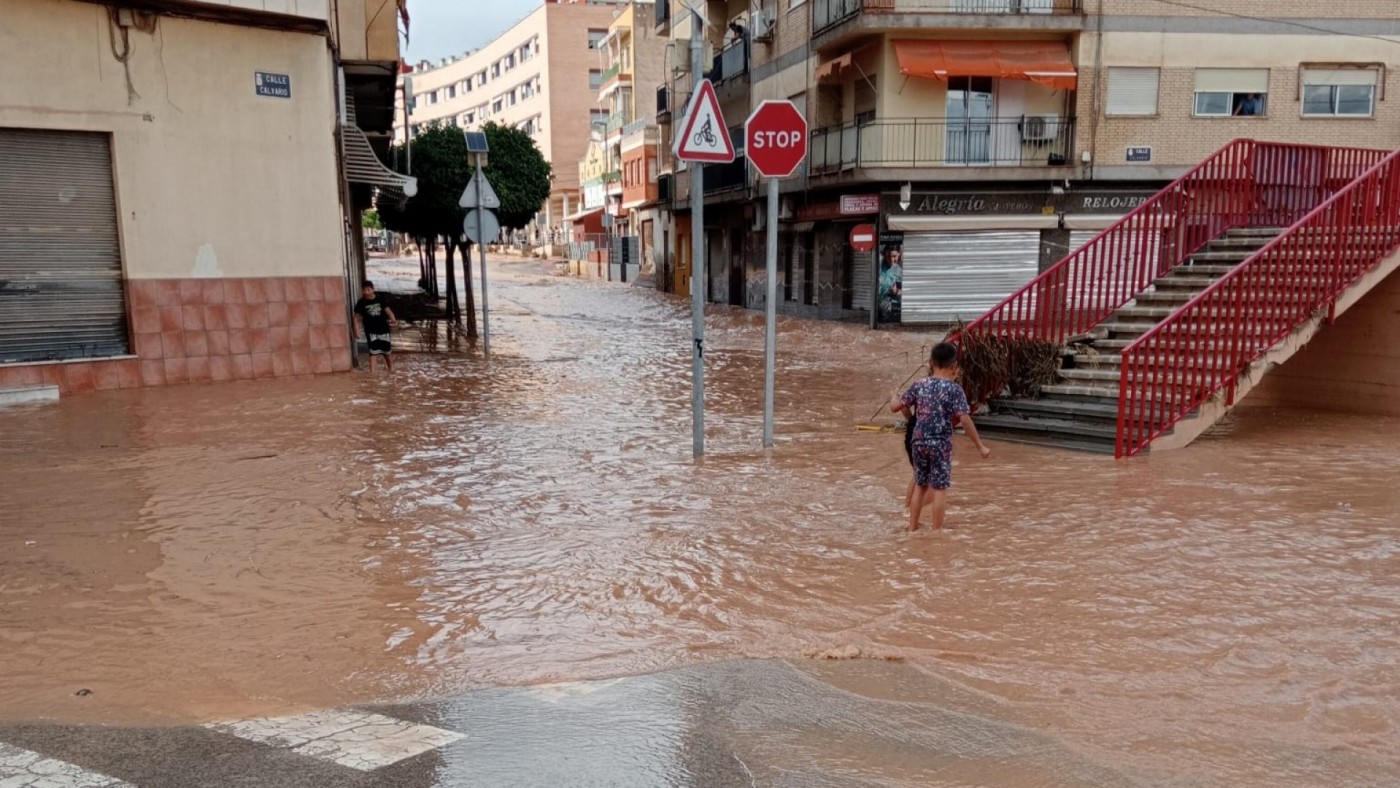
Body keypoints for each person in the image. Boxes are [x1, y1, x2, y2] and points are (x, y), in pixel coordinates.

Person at [892, 342, 991, 532]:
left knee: (920, 486)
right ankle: (936, 532)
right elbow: (965, 419)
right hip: (941, 445)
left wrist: (892, 397)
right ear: (954, 366)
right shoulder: (954, 390)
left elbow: (897, 407)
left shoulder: (919, 384)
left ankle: (912, 528)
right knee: (939, 489)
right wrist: (980, 446)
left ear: (930, 363)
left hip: (918, 442)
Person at [354, 280, 398, 373]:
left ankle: (391, 369)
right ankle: (372, 372)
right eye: (364, 290)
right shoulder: (361, 303)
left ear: (373, 290)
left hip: (383, 329)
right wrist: (356, 330)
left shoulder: (380, 299)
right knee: (373, 351)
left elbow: (388, 311)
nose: (366, 292)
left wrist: (393, 319)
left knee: (387, 350)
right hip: (370, 331)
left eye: (368, 290)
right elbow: (356, 318)